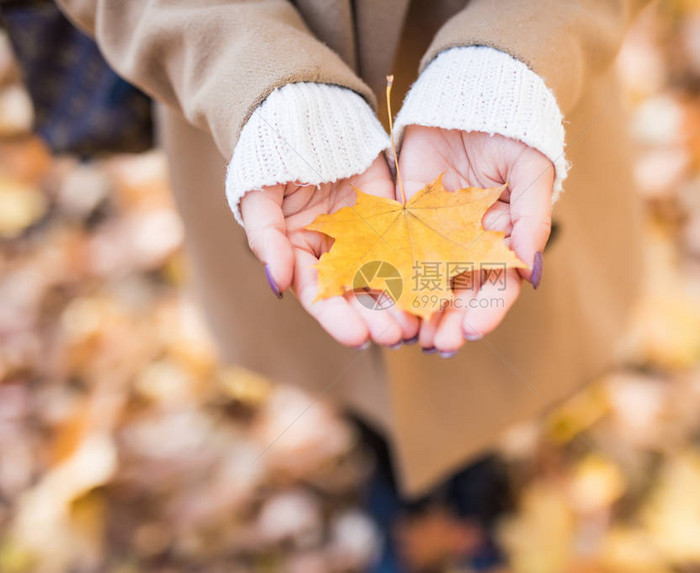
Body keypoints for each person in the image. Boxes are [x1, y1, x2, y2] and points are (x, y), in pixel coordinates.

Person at [54, 0, 647, 569]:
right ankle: (390, 481)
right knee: (358, 367)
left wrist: (516, 53)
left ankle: (471, 479)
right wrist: (252, 72)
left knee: (484, 365)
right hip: (261, 137)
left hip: (514, 103)